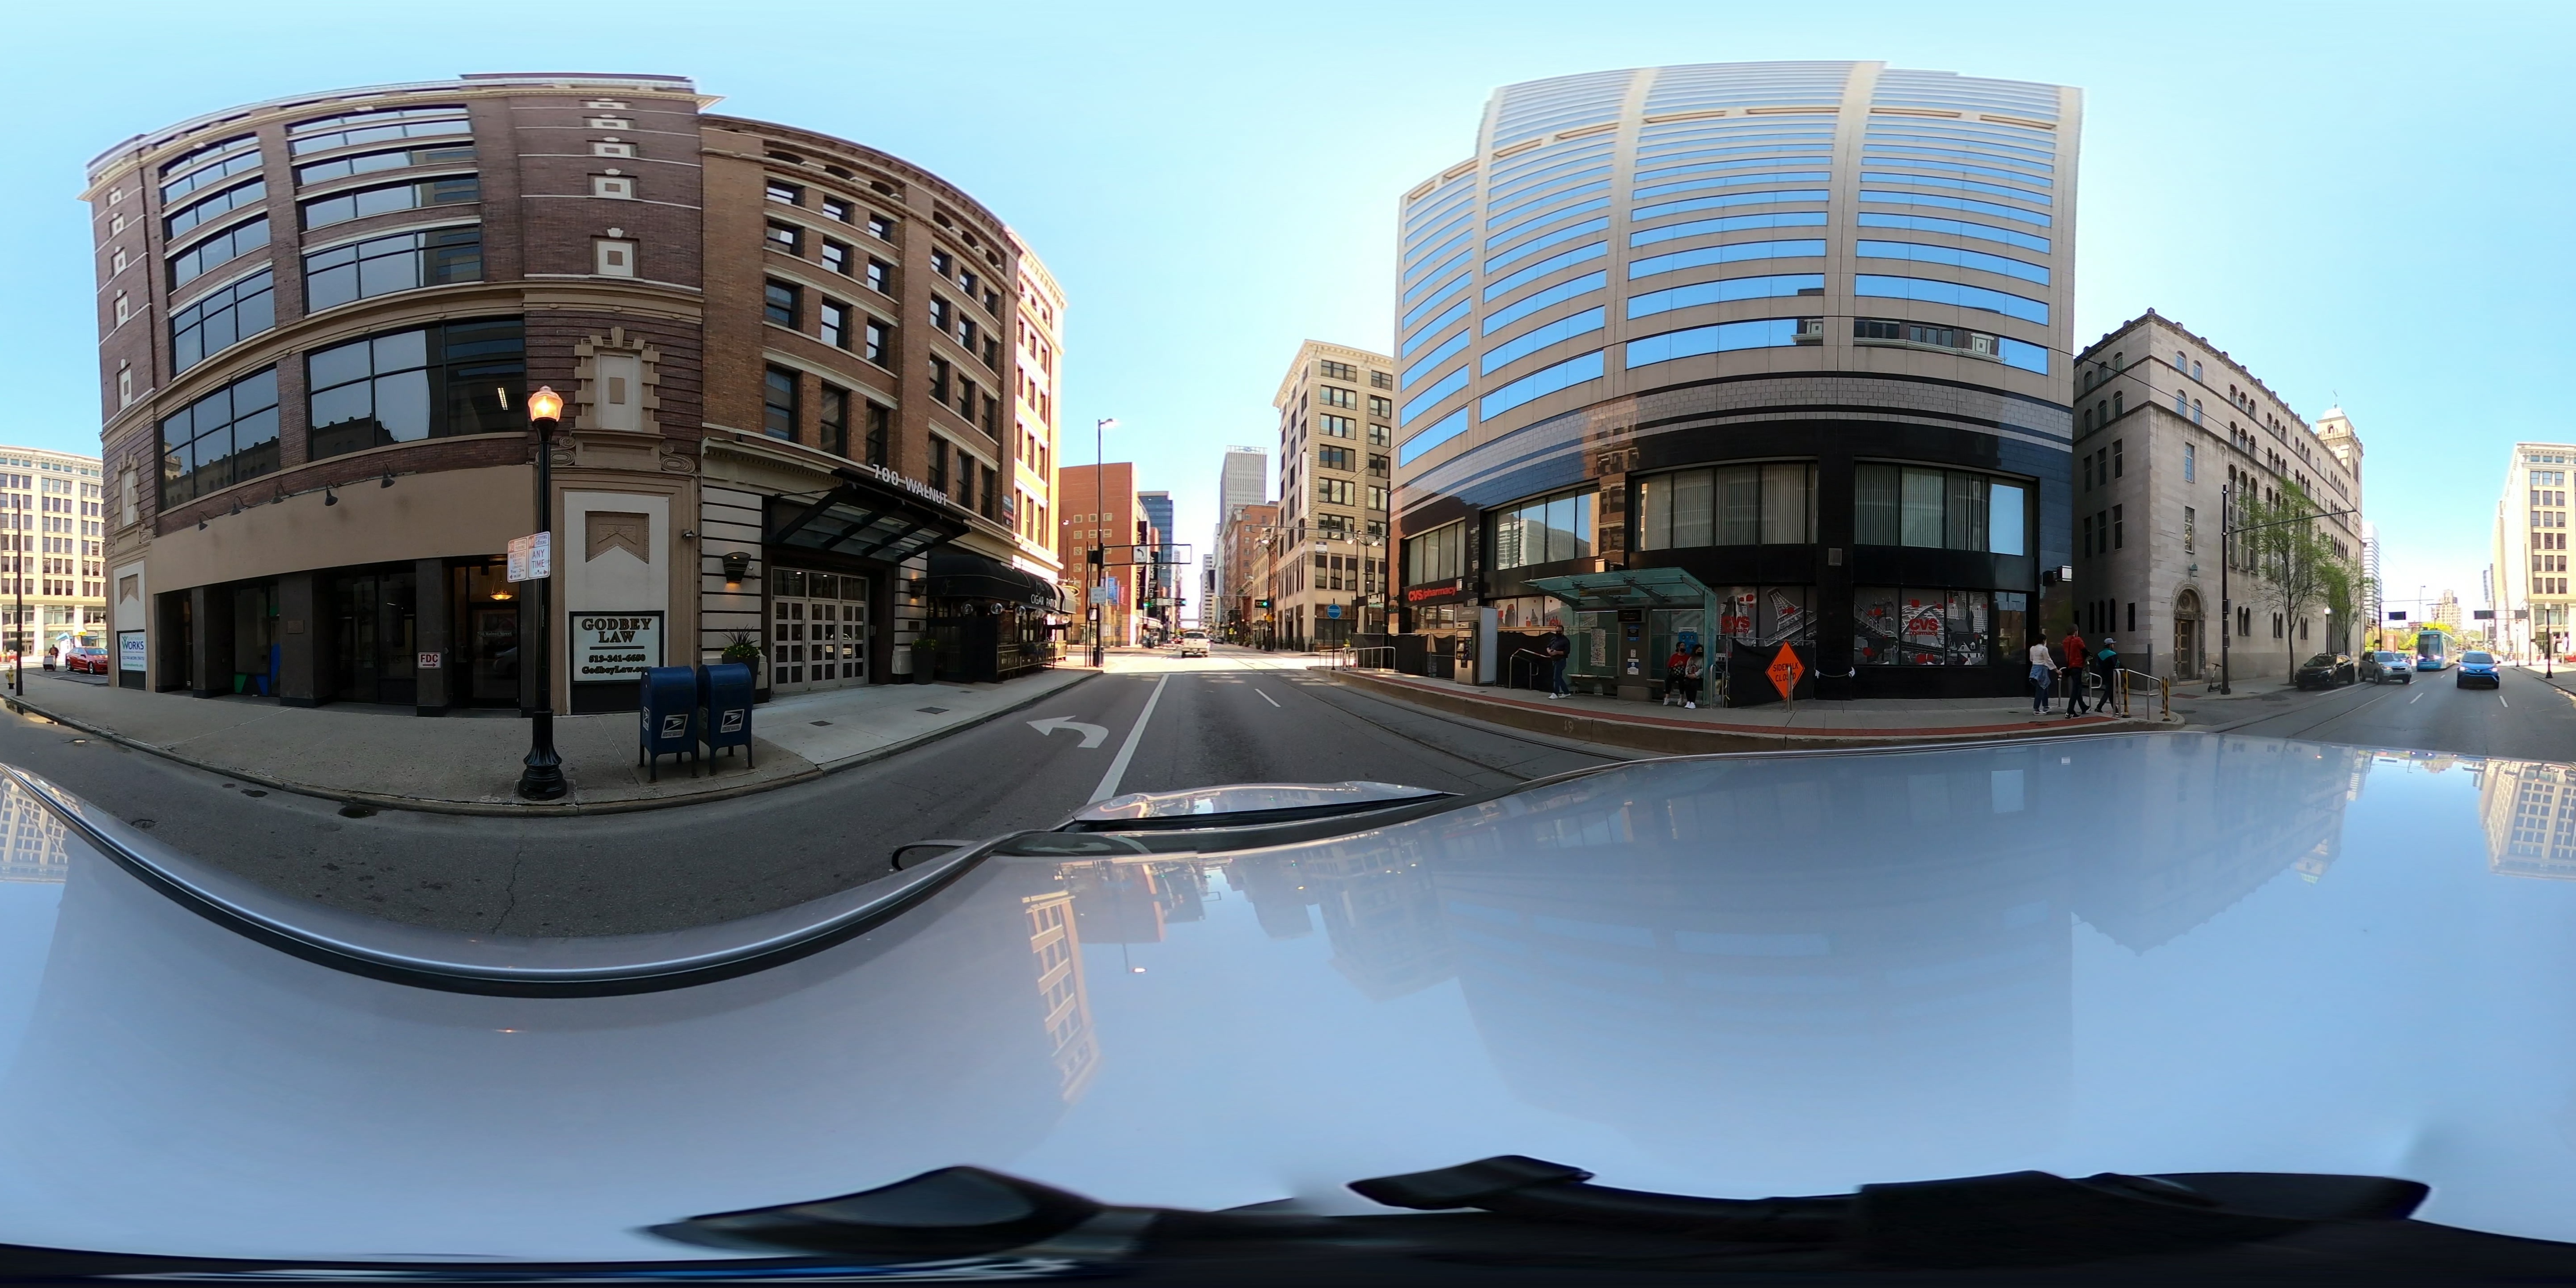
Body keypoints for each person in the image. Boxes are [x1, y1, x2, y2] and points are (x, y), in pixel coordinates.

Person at [2060, 627, 2090, 716]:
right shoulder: (2078, 640)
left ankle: (2083, 707)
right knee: (2076, 689)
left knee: (2077, 687)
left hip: (2070, 666)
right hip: (2078, 665)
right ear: (2075, 632)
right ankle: (2070, 711)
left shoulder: (2065, 641)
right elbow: (2085, 651)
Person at [2027, 637, 2056, 713]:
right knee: (2041, 688)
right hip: (2042, 668)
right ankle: (2037, 709)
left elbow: (2031, 659)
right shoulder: (2044, 649)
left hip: (2034, 668)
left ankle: (2046, 706)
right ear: (2044, 641)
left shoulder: (2032, 648)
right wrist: (2056, 670)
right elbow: (2048, 660)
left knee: (2044, 687)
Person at [1541, 624, 1571, 699]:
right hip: (1554, 660)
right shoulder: (1554, 638)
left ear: (1563, 631)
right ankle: (1566, 692)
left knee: (1556, 677)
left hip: (1561, 660)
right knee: (1559, 677)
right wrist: (1549, 651)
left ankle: (1555, 693)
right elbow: (1548, 646)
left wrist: (1557, 652)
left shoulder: (1566, 641)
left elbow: (1567, 652)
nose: (1558, 633)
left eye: (1560, 631)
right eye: (1557, 631)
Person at [2094, 636, 2122, 715]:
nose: (2113, 646)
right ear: (2110, 645)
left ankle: (2116, 710)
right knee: (2108, 692)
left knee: (2111, 692)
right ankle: (2099, 707)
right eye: (2113, 644)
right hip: (2112, 675)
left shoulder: (2099, 654)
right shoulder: (2113, 654)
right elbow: (2116, 664)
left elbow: (2098, 666)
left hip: (2104, 675)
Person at [1663, 642, 1690, 706]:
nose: (1684, 647)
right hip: (1675, 673)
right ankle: (1667, 697)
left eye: (1684, 645)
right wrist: (1676, 665)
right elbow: (1669, 665)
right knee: (1668, 680)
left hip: (1683, 674)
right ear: (1678, 647)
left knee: (1681, 681)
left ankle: (1681, 698)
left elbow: (1689, 665)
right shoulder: (1674, 656)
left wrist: (1683, 664)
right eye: (1682, 646)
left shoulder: (1687, 657)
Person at [1683, 644, 1707, 709]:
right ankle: (1689, 701)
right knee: (1687, 684)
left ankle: (1693, 702)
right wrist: (1687, 674)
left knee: (1694, 685)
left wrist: (1696, 675)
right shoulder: (1691, 659)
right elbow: (1687, 667)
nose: (1700, 651)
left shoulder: (1703, 659)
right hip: (1690, 676)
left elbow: (1703, 669)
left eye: (1701, 650)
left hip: (1698, 677)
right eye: (1698, 650)